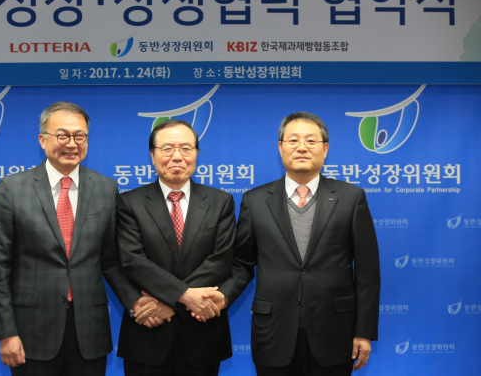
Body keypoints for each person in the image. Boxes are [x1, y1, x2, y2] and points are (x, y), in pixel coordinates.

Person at [0, 102, 152, 376]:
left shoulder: (105, 188)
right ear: (43, 139)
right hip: (31, 332)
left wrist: (136, 302)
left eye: (80, 136)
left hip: (90, 330)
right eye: (62, 135)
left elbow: (111, 261)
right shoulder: (12, 188)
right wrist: (6, 332)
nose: (72, 144)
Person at [222, 112, 381, 376]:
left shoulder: (351, 198)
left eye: (311, 140)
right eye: (293, 140)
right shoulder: (255, 200)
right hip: (273, 331)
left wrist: (364, 331)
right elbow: (242, 263)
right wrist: (222, 295)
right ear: (280, 147)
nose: (302, 147)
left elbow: (367, 272)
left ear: (325, 148)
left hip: (335, 332)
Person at [116, 119, 236, 376]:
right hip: (147, 333)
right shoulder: (129, 203)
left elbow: (221, 260)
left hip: (202, 335)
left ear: (196, 153)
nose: (177, 156)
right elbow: (133, 261)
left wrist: (174, 303)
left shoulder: (221, 201)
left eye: (186, 148)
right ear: (152, 155)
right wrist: (186, 296)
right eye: (167, 149)